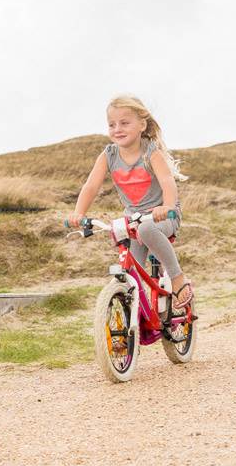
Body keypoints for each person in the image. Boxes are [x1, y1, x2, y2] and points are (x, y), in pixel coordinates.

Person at [69, 94, 193, 310]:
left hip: (163, 215)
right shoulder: (108, 155)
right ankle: (128, 324)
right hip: (133, 219)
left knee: (146, 230)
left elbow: (167, 182)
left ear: (141, 125)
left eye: (125, 123)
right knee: (130, 272)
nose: (118, 129)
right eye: (112, 124)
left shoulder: (151, 153)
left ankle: (177, 278)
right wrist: (78, 213)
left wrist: (168, 207)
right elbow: (91, 186)